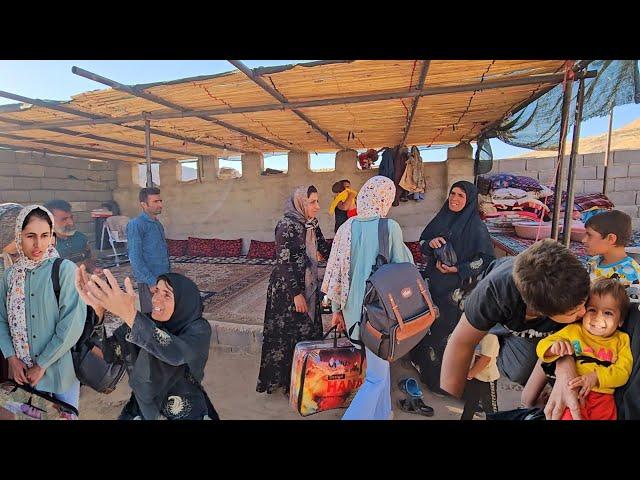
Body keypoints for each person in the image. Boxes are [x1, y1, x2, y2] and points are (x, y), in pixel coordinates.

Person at [440, 239, 591, 399]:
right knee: (480, 333)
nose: (584, 312)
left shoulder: (577, 289)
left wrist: (564, 372)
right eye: (573, 312)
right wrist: (451, 400)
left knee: (520, 373)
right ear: (541, 312)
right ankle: (493, 336)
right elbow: (461, 343)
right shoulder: (493, 293)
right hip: (500, 318)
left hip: (532, 329)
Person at [322, 175, 415, 420]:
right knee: (375, 376)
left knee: (378, 369)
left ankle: (383, 414)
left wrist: (336, 311)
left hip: (353, 313)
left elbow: (336, 275)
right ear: (385, 199)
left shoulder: (345, 228)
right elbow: (403, 269)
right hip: (378, 315)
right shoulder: (389, 227)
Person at [75, 266, 219, 420]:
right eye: (156, 291)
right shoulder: (146, 322)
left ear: (184, 302)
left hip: (185, 412)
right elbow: (108, 355)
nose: (156, 299)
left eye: (167, 295)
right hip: (141, 410)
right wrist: (98, 311)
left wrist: (129, 314)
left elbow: (176, 353)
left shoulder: (198, 329)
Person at [410, 181, 495, 393]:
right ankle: (428, 375)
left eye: (461, 196)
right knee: (430, 329)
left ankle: (446, 384)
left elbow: (485, 260)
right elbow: (422, 243)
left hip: (457, 292)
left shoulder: (476, 227)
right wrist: (431, 244)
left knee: (448, 335)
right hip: (434, 285)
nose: (455, 199)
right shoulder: (442, 218)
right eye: (453, 194)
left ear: (469, 201)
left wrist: (458, 269)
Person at [0, 205, 85, 412]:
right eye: (30, 236)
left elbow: (71, 323)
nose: (39, 244)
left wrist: (42, 364)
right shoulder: (10, 276)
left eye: (45, 235)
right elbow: (1, 319)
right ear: (19, 236)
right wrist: (11, 357)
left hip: (59, 372)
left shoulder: (63, 270)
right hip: (23, 375)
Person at [256, 185, 331, 394]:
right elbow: (283, 262)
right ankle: (288, 383)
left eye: (317, 201)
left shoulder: (311, 224)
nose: (317, 206)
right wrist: (296, 294)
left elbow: (324, 248)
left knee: (307, 332)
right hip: (288, 290)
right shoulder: (286, 225)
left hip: (308, 286)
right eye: (312, 202)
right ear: (300, 203)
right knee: (287, 336)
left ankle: (306, 378)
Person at [535, 278, 632, 420]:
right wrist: (553, 347)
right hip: (572, 392)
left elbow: (623, 372)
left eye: (608, 313)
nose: (597, 317)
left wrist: (597, 377)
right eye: (592, 309)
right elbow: (541, 346)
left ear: (620, 321)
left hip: (603, 400)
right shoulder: (574, 330)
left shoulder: (621, 340)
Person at [126, 187, 170, 314]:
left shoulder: (157, 224)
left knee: (164, 313)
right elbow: (135, 257)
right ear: (144, 204)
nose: (160, 204)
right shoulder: (136, 224)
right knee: (152, 316)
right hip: (149, 281)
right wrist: (151, 281)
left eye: (160, 201)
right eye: (155, 202)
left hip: (163, 277)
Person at [583, 210, 640, 286]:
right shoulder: (593, 262)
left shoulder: (630, 275)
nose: (583, 240)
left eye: (589, 235)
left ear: (611, 239)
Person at [43, 199, 101, 274]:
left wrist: (93, 269)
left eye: (71, 217)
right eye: (64, 219)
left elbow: (88, 260)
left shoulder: (81, 238)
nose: (71, 223)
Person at [460, 333, 500, 420]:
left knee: (491, 408)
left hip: (487, 379)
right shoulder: (475, 332)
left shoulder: (491, 336)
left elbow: (485, 359)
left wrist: (470, 373)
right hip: (474, 377)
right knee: (470, 404)